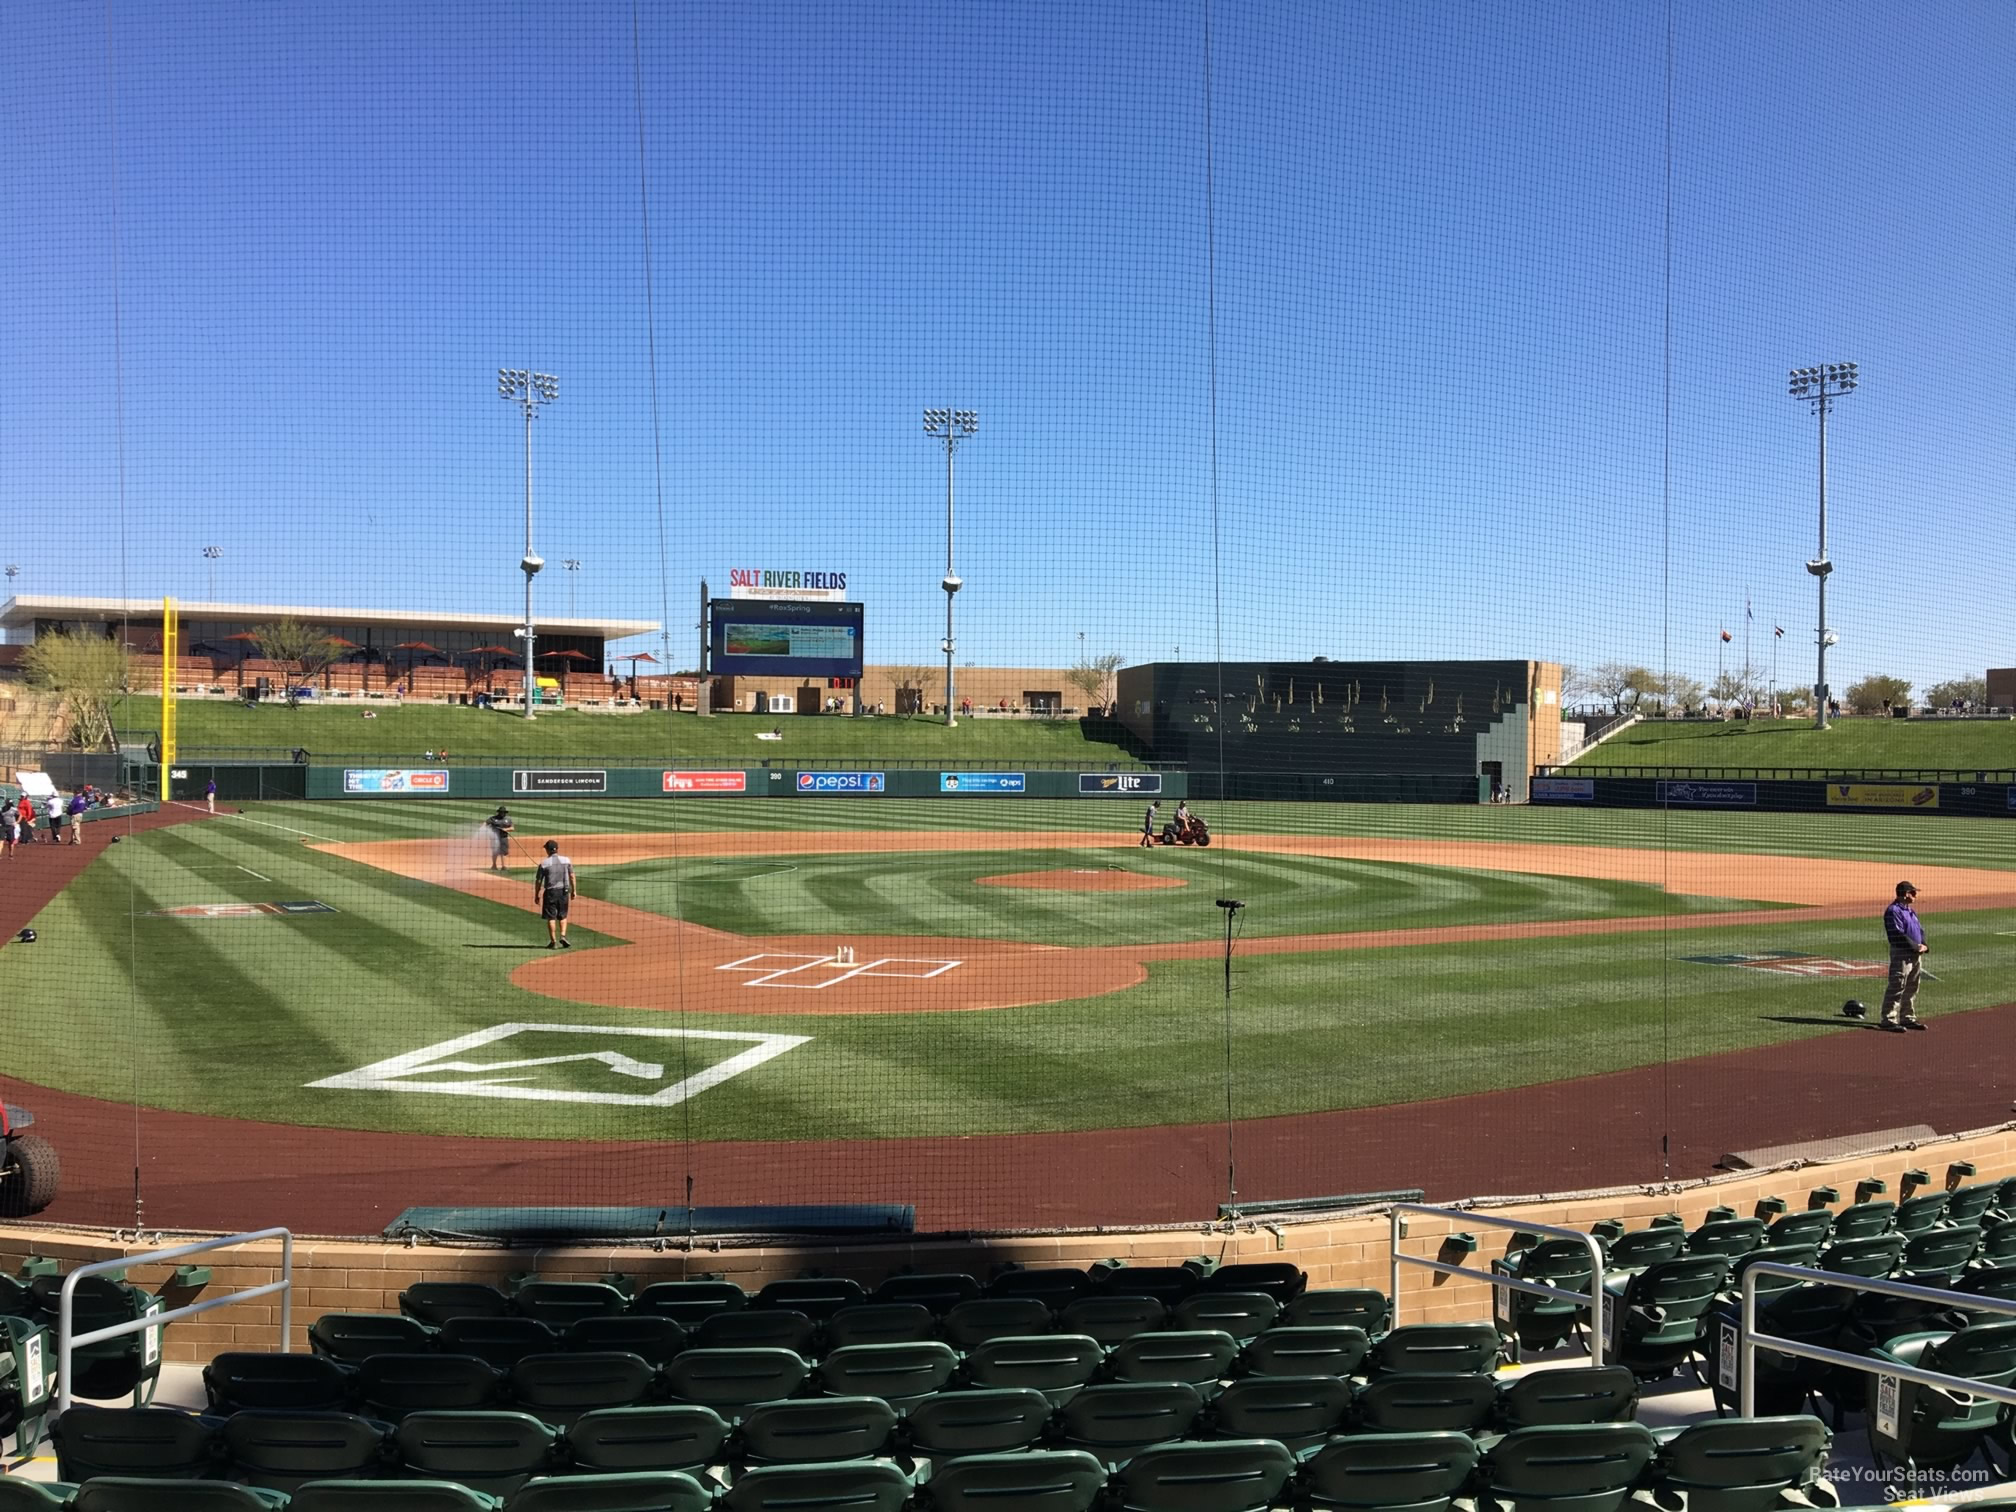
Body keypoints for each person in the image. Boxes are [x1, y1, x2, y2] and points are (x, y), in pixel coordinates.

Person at [1879, 880, 1929, 1032]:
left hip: (1915, 954)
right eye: (1913, 892)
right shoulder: (1893, 911)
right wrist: (1915, 946)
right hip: (1902, 954)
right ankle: (1889, 1019)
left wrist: (1924, 945)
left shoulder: (1910, 910)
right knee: (1897, 985)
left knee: (1912, 986)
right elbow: (1897, 934)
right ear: (1906, 894)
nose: (1915, 896)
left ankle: (1907, 1017)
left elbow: (1919, 930)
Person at [534, 839, 576, 948]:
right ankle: (563, 936)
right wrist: (574, 890)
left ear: (547, 850)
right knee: (563, 916)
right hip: (564, 891)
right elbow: (572, 876)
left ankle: (553, 942)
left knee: (551, 917)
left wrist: (536, 894)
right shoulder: (566, 860)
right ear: (557, 849)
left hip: (551, 892)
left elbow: (538, 881)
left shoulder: (543, 864)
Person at [485, 806, 515, 870]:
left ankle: (503, 866)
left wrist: (506, 829)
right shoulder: (493, 818)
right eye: (501, 812)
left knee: (504, 852)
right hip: (494, 838)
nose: (502, 813)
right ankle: (494, 865)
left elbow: (512, 828)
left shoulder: (508, 819)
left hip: (503, 837)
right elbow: (485, 824)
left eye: (503, 812)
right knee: (495, 851)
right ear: (499, 812)